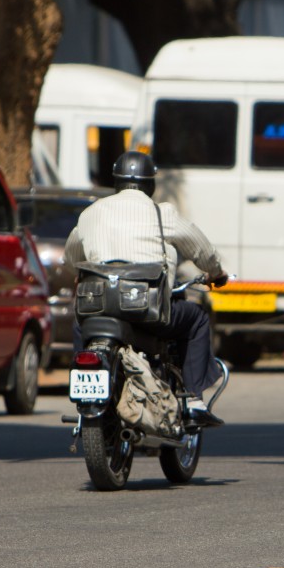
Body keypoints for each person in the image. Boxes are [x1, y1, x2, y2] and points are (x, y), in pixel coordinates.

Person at [64, 152, 229, 427]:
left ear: (116, 182)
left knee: (81, 323)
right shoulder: (162, 213)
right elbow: (201, 248)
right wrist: (216, 272)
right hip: (148, 312)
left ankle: (87, 398)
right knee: (197, 318)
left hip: (97, 309)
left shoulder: (90, 213)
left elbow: (71, 258)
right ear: (149, 184)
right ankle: (193, 400)